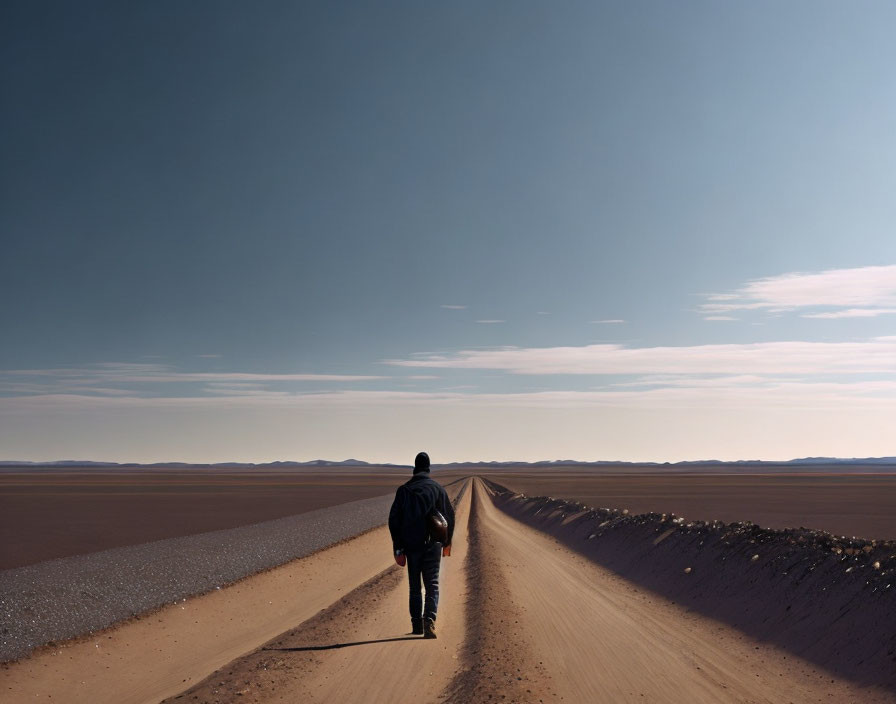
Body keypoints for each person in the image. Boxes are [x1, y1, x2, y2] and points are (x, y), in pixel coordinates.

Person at [388, 451, 455, 639]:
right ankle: (429, 622)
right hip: (433, 544)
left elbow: (394, 520)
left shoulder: (404, 490)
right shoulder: (437, 489)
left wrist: (398, 548)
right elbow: (449, 515)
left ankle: (417, 625)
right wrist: (447, 542)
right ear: (428, 468)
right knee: (432, 583)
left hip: (412, 545)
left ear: (415, 468)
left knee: (415, 586)